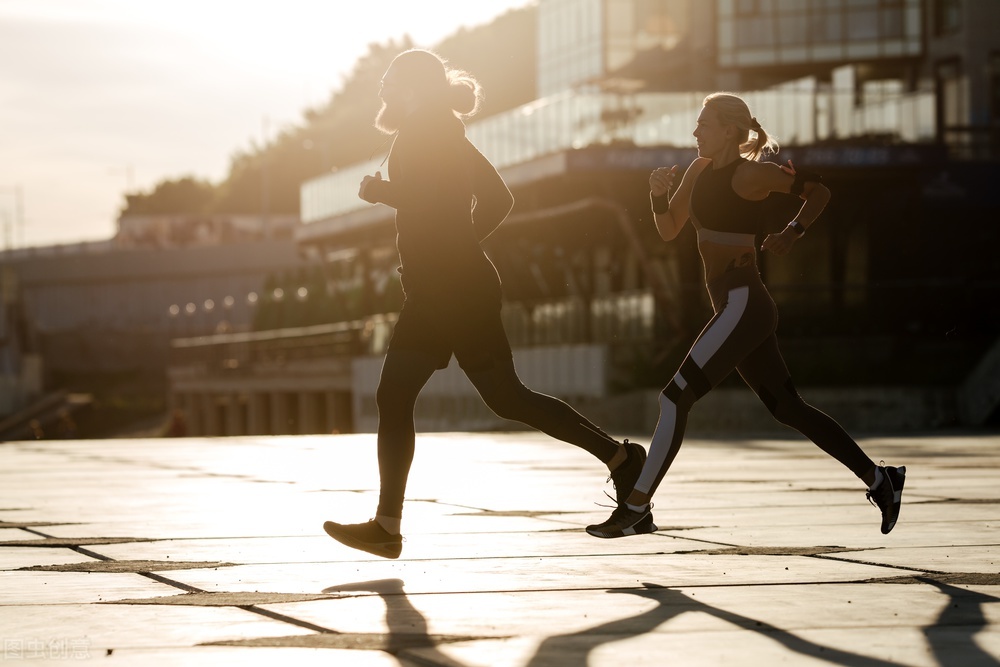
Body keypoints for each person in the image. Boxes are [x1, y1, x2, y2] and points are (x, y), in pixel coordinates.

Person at [323, 49, 645, 559]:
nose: (382, 86)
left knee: (491, 397)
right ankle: (621, 461)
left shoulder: (428, 130)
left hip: (454, 290)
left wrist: (385, 194)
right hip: (443, 287)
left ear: (413, 86)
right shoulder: (442, 130)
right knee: (459, 396)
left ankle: (623, 460)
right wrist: (458, 244)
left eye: (390, 78)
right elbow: (498, 199)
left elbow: (432, 198)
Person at [586, 92, 906, 539]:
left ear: (731, 130)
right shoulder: (698, 171)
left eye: (704, 124)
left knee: (674, 398)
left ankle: (636, 505)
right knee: (789, 408)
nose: (695, 131)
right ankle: (881, 480)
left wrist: (793, 232)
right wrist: (657, 196)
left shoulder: (752, 173)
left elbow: (819, 191)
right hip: (733, 307)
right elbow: (668, 228)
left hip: (744, 302)